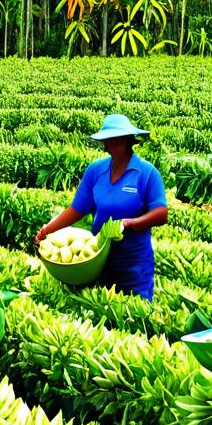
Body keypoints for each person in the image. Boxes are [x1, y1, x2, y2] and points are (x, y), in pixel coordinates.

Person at [35, 114, 168, 301]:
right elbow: (77, 209)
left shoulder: (146, 172)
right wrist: (48, 230)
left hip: (134, 263)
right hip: (98, 260)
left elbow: (161, 214)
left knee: (135, 316)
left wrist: (130, 223)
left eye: (118, 137)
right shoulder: (96, 170)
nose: (112, 142)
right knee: (102, 310)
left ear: (129, 139)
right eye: (109, 138)